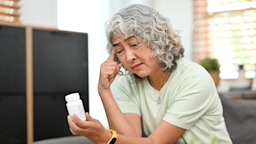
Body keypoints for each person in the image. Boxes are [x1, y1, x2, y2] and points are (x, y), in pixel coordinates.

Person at [67, 4, 232, 144]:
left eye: (135, 44)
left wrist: (106, 138)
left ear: (157, 40)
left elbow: (155, 142)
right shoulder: (128, 83)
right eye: (120, 50)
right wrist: (104, 90)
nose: (130, 57)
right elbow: (130, 138)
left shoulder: (195, 79)